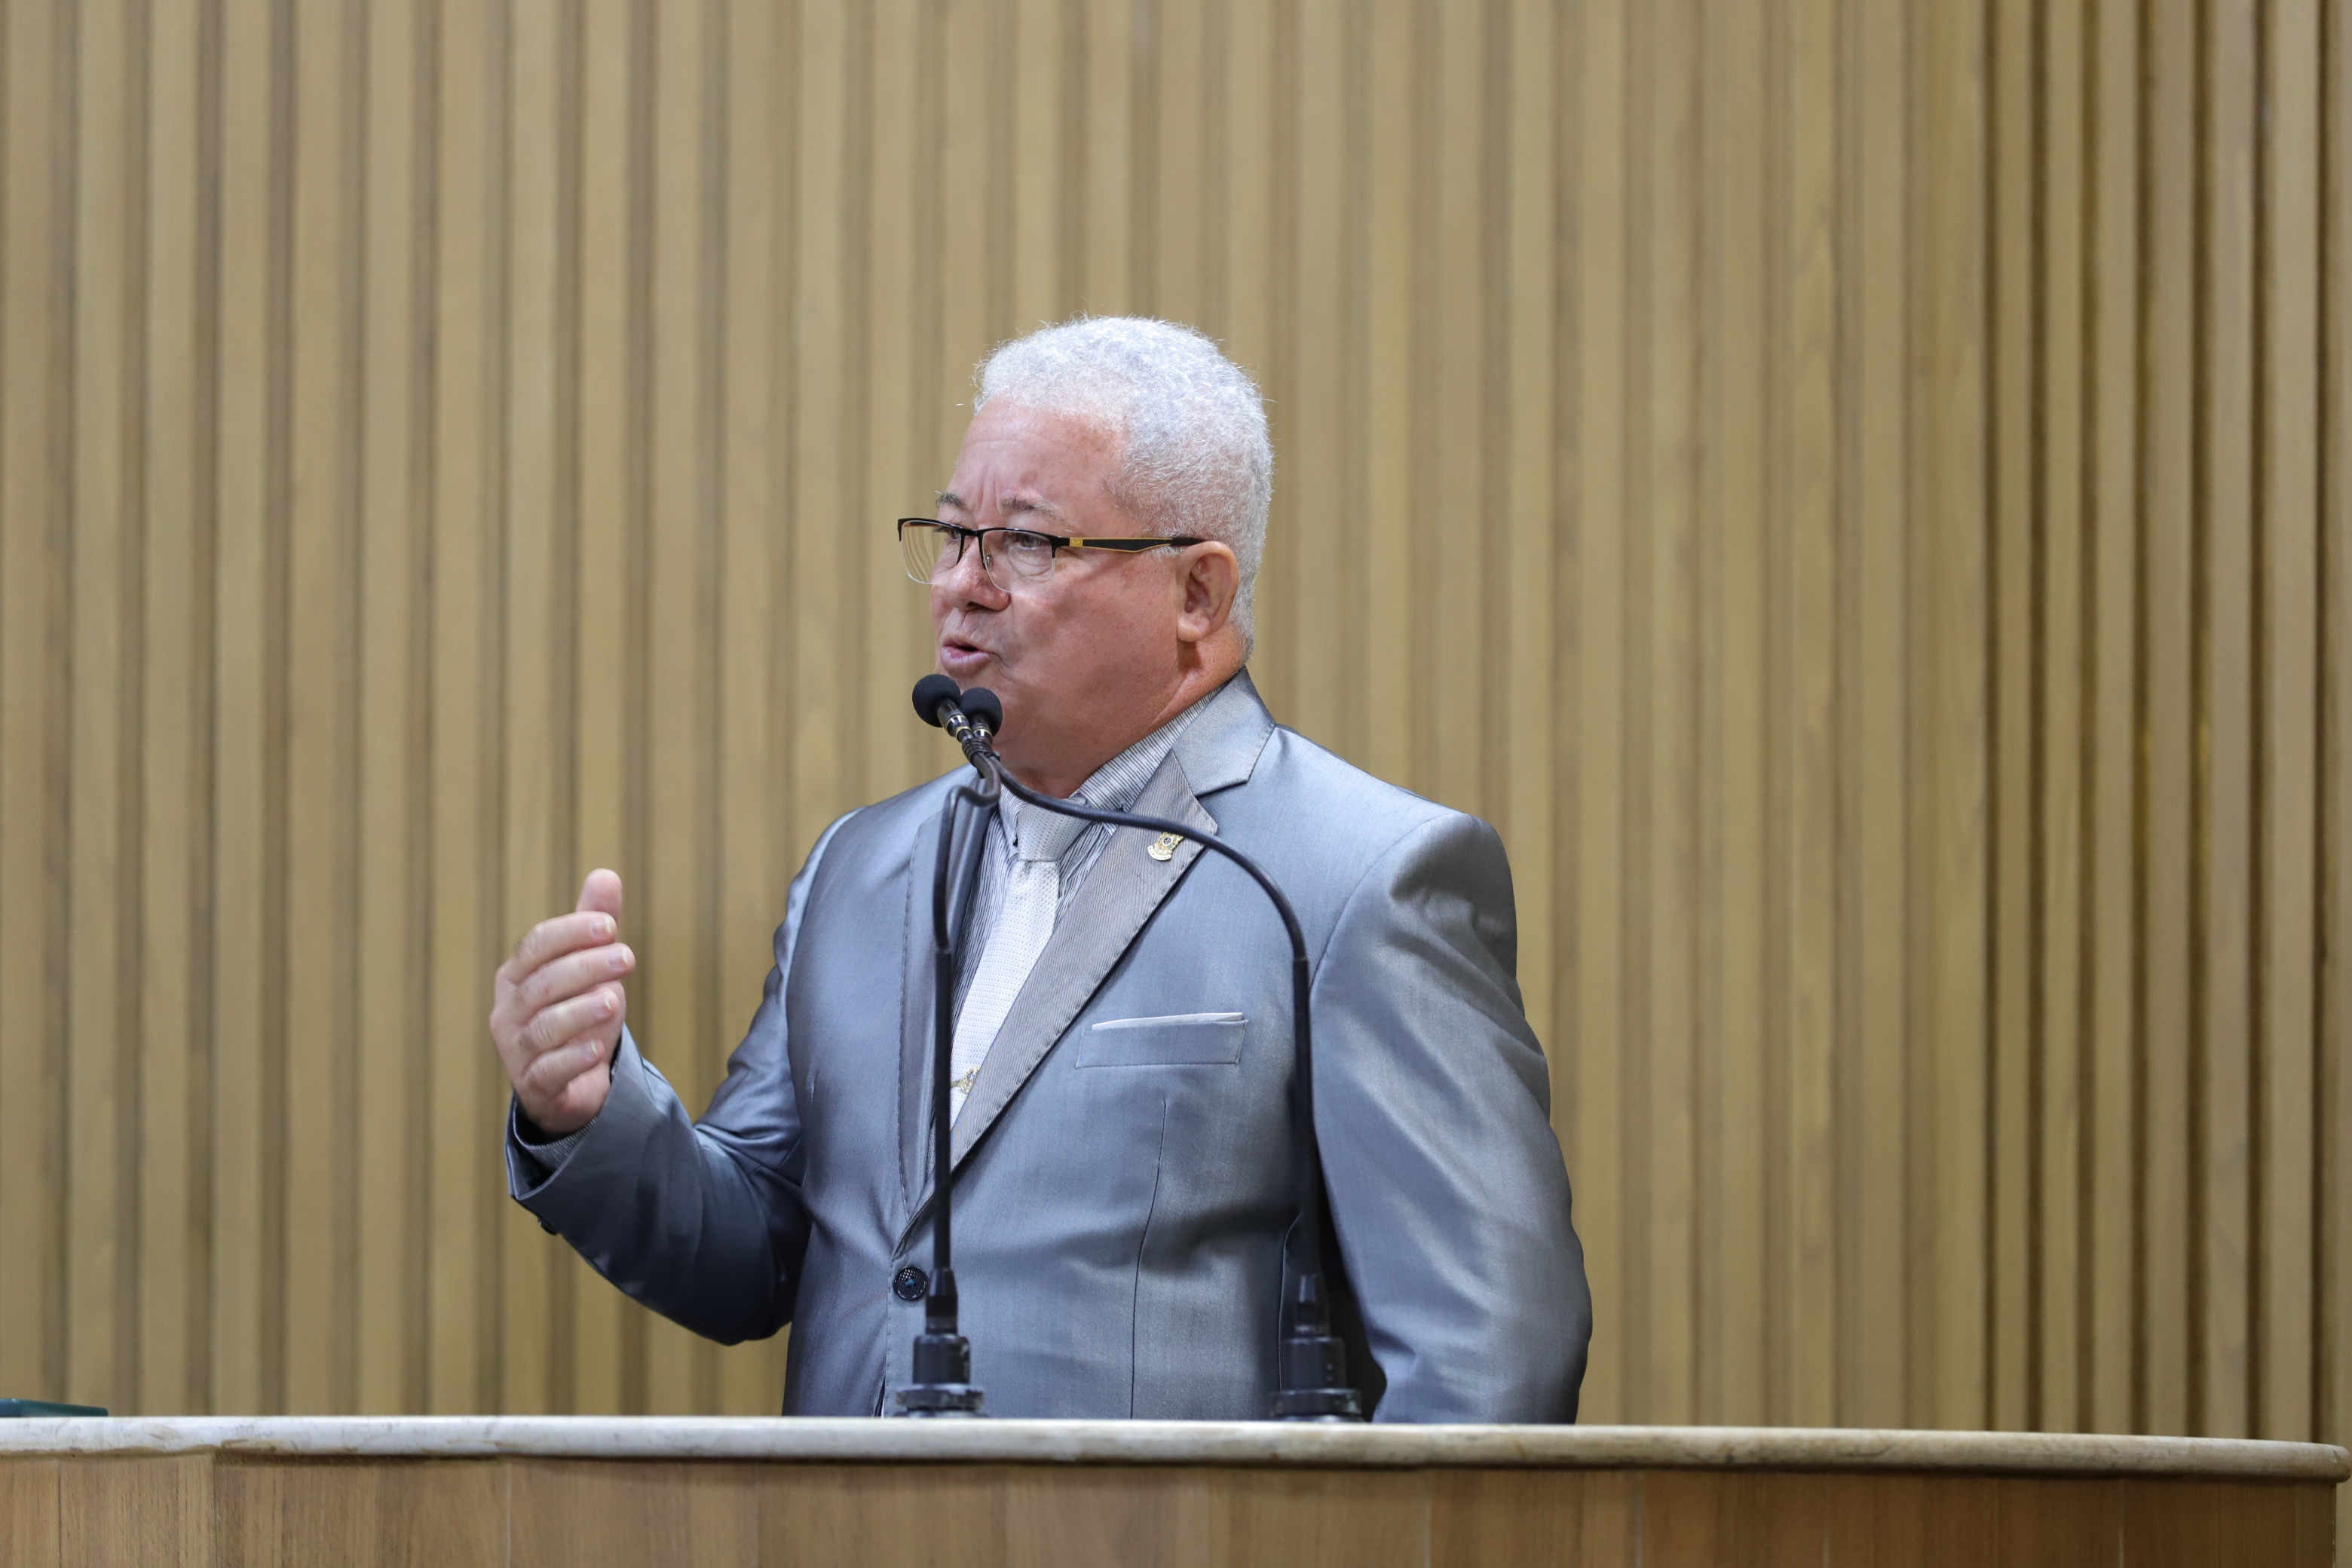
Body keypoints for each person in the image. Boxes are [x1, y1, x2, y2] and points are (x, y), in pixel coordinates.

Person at [490, 317, 1591, 1420]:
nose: (962, 586)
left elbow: (1487, 1358)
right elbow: (752, 1251)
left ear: (1197, 596)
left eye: (1025, 543)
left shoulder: (1358, 878)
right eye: (951, 534)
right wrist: (589, 1113)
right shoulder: (860, 871)